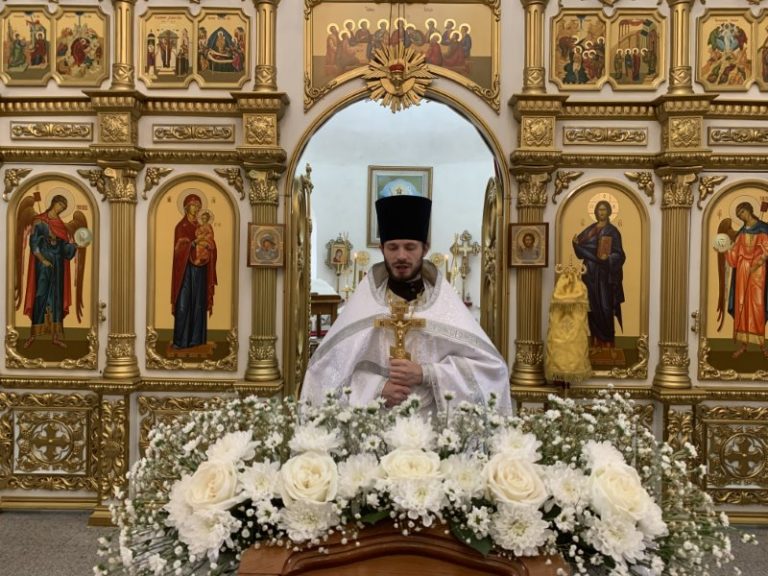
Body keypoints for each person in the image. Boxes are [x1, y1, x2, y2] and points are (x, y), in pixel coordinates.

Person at [301, 195, 511, 417]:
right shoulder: (365, 305)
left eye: (410, 247)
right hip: (373, 425)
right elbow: (324, 373)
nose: (401, 256)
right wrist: (377, 388)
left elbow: (492, 371)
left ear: (425, 249)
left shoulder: (444, 305)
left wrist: (426, 374)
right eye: (393, 247)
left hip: (434, 428)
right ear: (382, 249)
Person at [22, 195, 78, 349]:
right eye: (60, 205)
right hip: (43, 266)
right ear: (53, 203)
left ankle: (55, 337)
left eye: (63, 208)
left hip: (58, 266)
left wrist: (74, 246)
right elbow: (34, 244)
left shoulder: (60, 225)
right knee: (40, 295)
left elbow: (65, 249)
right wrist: (42, 260)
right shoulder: (39, 221)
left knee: (57, 298)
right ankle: (33, 335)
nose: (61, 209)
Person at [572, 200, 626, 352]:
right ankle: (596, 341)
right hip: (589, 273)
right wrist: (575, 243)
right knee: (592, 307)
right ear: (595, 212)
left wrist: (608, 258)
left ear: (609, 212)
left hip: (604, 276)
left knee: (605, 307)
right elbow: (580, 247)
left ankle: (608, 341)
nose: (601, 212)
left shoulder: (613, 231)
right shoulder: (590, 229)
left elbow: (619, 254)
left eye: (604, 210)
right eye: (599, 210)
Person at [171, 194, 217, 349]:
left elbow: (211, 243)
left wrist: (210, 246)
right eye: (193, 205)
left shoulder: (203, 225)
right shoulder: (181, 226)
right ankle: (181, 341)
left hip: (200, 268)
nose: (196, 208)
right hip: (185, 270)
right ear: (186, 207)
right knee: (184, 303)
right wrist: (193, 243)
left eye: (198, 206)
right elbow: (178, 250)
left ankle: (196, 340)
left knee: (198, 303)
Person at [725, 201, 768, 358]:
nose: (741, 216)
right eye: (738, 215)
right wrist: (725, 249)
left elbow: (766, 250)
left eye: (742, 212)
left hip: (757, 271)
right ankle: (744, 345)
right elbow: (734, 253)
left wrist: (756, 264)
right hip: (743, 270)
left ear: (749, 210)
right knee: (741, 304)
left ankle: (762, 346)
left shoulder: (763, 228)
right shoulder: (742, 232)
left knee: (756, 306)